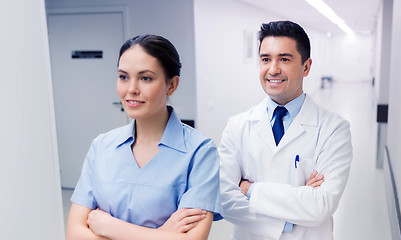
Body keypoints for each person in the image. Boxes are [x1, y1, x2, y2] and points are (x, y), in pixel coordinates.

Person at [66, 34, 222, 240]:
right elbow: (74, 234)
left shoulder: (199, 151)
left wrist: (108, 226)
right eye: (123, 77)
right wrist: (160, 235)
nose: (131, 89)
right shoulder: (102, 146)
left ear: (172, 85)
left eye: (145, 78)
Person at [219, 20, 352, 240]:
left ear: (306, 67)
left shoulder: (334, 129)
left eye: (284, 59)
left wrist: (249, 190)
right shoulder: (237, 126)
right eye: (265, 59)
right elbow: (225, 199)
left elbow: (321, 206)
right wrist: (292, 213)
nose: (273, 69)